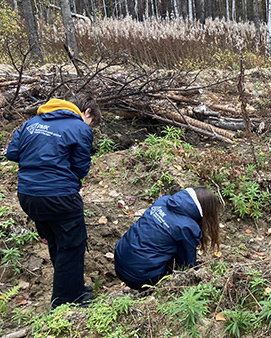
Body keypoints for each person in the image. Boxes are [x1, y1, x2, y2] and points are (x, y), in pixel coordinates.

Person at [6, 94, 102, 309]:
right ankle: (66, 302)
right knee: (72, 245)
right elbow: (80, 168)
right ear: (86, 113)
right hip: (59, 197)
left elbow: (12, 153)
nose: (89, 128)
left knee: (57, 242)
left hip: (28, 196)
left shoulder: (31, 123)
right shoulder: (79, 127)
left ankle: (73, 288)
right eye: (91, 124)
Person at [114, 186, 221, 290]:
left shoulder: (163, 201)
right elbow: (187, 267)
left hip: (119, 259)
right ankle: (153, 289)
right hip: (140, 277)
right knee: (175, 256)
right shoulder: (187, 227)